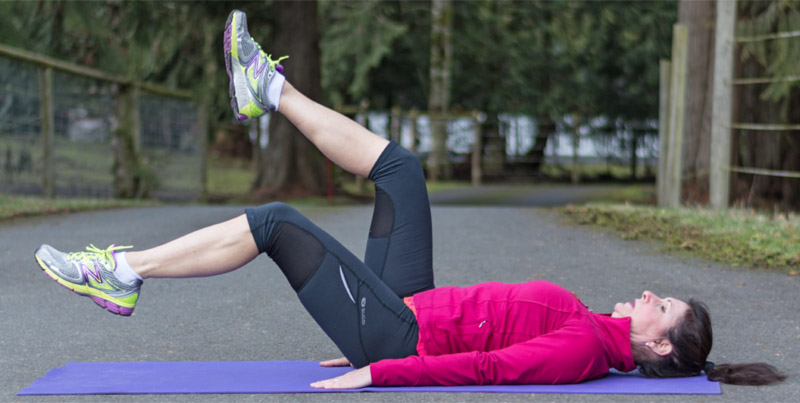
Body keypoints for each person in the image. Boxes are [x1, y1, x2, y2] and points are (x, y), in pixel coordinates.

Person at [33, 10, 786, 390]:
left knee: (275, 223)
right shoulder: (595, 325)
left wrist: (375, 368)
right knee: (404, 170)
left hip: (400, 338)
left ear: (656, 344)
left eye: (665, 307)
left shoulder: (588, 347)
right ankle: (268, 88)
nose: (653, 294)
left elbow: (489, 368)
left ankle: (123, 271)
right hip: (408, 309)